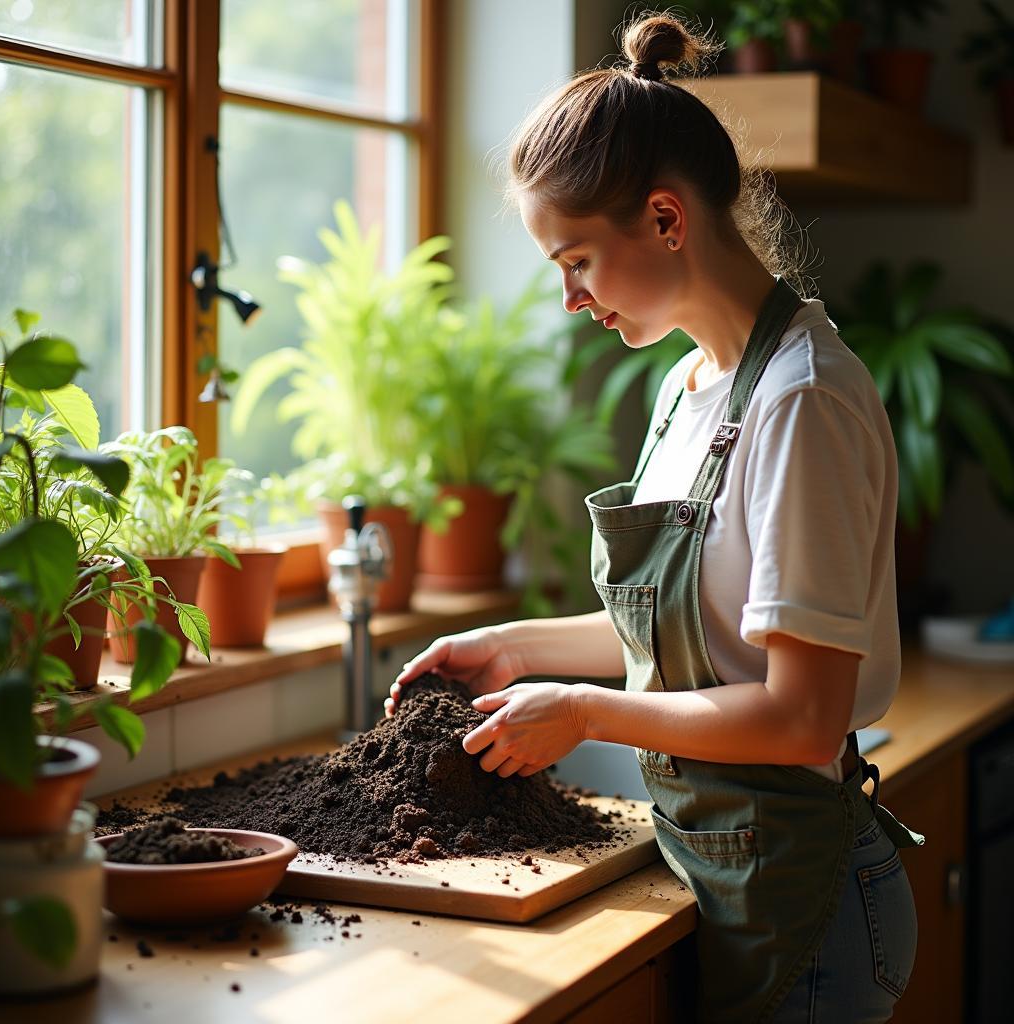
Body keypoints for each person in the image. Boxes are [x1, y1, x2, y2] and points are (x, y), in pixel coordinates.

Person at [385, 13, 921, 1023]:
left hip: (803, 897)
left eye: (575, 261)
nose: (569, 299)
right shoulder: (686, 385)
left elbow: (801, 710)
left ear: (667, 220)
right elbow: (696, 640)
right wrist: (510, 648)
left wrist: (583, 711)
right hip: (723, 867)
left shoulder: (800, 400)